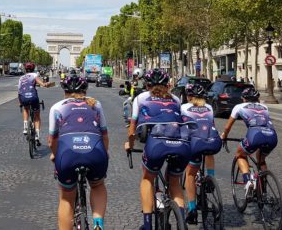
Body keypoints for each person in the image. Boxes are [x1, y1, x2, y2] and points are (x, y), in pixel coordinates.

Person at [124, 68, 192, 230]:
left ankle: (147, 225)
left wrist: (130, 145)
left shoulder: (140, 98)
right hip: (182, 144)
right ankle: (181, 223)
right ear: (168, 85)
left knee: (148, 178)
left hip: (158, 144)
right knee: (175, 182)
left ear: (147, 85)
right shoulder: (175, 99)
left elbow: (132, 128)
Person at [49, 76, 108, 230]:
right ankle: (98, 224)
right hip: (95, 152)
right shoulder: (96, 104)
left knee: (67, 199)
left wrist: (55, 155)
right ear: (85, 90)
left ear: (65, 91)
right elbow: (104, 136)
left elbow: (52, 141)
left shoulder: (57, 107)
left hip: (67, 154)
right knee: (97, 185)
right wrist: (105, 154)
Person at [220, 87, 277, 196]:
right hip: (272, 135)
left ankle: (248, 181)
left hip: (255, 135)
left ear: (244, 99)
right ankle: (263, 187)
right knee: (261, 159)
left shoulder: (239, 107)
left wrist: (224, 136)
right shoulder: (264, 106)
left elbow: (227, 127)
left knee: (240, 155)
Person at [181, 83, 222, 224]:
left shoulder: (184, 108)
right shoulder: (209, 108)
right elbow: (212, 126)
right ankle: (210, 178)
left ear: (189, 96)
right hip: (214, 142)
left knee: (190, 174)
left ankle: (192, 209)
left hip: (196, 144)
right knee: (209, 152)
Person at [18, 62, 53, 146]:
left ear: (25, 69)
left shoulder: (21, 78)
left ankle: (25, 127)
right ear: (33, 69)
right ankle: (37, 136)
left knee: (25, 108)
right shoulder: (34, 75)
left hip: (23, 97)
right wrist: (46, 84)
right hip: (33, 97)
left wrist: (20, 103)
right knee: (37, 116)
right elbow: (41, 84)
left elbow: (19, 91)